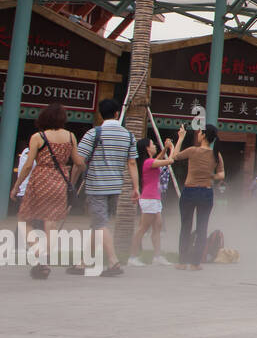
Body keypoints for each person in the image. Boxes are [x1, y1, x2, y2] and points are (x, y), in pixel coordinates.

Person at [10, 104, 84, 277]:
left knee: (23, 219)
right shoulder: (71, 136)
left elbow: (28, 165)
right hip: (59, 182)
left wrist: (17, 185)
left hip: (40, 180)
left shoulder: (38, 137)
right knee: (51, 223)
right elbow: (79, 162)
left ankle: (37, 252)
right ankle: (45, 258)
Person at [75, 98, 139, 276]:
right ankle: (83, 262)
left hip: (96, 186)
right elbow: (132, 163)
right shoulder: (129, 135)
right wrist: (136, 187)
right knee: (98, 223)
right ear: (117, 114)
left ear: (100, 114)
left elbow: (79, 159)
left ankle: (113, 262)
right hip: (115, 187)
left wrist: (77, 176)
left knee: (100, 223)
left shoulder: (93, 133)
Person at [169, 124, 224, 271]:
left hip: (190, 191)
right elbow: (222, 174)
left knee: (186, 227)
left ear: (204, 135)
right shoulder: (216, 154)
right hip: (206, 193)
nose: (198, 134)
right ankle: (196, 263)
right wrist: (211, 176)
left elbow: (174, 156)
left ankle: (182, 262)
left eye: (200, 132)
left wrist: (181, 138)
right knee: (202, 228)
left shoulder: (193, 150)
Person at [128, 135, 176, 266]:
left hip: (154, 199)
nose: (155, 146)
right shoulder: (148, 162)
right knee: (142, 229)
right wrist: (172, 148)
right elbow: (170, 161)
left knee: (157, 227)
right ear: (147, 148)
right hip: (149, 199)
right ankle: (132, 257)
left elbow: (159, 159)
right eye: (152, 144)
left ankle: (157, 256)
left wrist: (165, 148)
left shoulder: (149, 161)